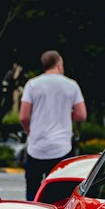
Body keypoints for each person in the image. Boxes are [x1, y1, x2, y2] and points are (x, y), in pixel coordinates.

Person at [19, 50, 87, 201]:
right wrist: (66, 114)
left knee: (32, 193)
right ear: (58, 65)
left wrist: (30, 132)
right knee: (61, 196)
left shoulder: (32, 85)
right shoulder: (71, 85)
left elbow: (23, 116)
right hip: (61, 149)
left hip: (36, 148)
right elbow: (82, 115)